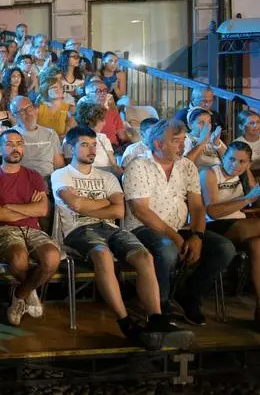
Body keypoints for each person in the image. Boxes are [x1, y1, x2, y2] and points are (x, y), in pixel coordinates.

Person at [52, 127, 188, 348]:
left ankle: (156, 318)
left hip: (110, 228)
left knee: (144, 256)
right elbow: (75, 205)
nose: (91, 149)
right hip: (78, 230)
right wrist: (103, 204)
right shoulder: (61, 174)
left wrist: (87, 207)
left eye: (94, 144)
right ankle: (125, 322)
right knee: (103, 256)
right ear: (71, 147)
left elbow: (119, 212)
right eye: (85, 144)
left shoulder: (107, 176)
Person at [123, 119, 237, 325]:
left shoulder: (187, 166)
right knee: (167, 249)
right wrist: (175, 237)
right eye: (176, 141)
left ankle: (190, 294)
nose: (183, 145)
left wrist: (197, 236)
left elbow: (197, 207)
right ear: (158, 144)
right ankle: (161, 306)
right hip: (142, 229)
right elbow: (141, 211)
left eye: (184, 140)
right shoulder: (139, 165)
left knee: (225, 248)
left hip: (178, 227)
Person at [0, 129, 59, 326]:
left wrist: (9, 206)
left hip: (32, 229)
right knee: (18, 258)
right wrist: (28, 209)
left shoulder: (34, 176)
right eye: (9, 144)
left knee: (52, 258)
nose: (15, 148)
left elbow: (42, 210)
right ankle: (30, 292)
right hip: (2, 229)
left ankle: (19, 294)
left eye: (19, 143)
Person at [200, 141, 260, 325]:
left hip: (242, 227)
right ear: (223, 157)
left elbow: (253, 200)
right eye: (232, 159)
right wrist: (246, 199)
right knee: (247, 226)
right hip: (214, 227)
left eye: (242, 162)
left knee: (257, 245)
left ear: (249, 164)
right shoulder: (209, 173)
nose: (235, 165)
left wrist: (247, 176)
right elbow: (213, 212)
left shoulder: (243, 175)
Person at [8, 96, 64, 180]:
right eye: (22, 111)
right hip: (22, 180)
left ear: (34, 109)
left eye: (29, 108)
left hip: (48, 181)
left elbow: (59, 165)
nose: (28, 113)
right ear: (14, 116)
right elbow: (8, 167)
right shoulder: (9, 135)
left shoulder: (50, 133)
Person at [73, 102, 122, 176]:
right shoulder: (72, 138)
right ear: (92, 121)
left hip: (106, 174)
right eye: (102, 120)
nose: (104, 123)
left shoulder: (103, 137)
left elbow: (113, 163)